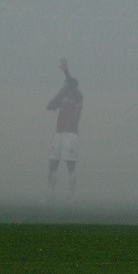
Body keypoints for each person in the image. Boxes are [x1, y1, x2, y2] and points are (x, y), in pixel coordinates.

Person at [46, 57, 83, 201]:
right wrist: (60, 93)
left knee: (70, 164)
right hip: (59, 134)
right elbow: (49, 106)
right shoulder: (62, 96)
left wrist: (66, 71)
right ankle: (51, 193)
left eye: (66, 84)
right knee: (52, 163)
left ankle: (71, 194)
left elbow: (72, 87)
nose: (64, 86)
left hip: (71, 134)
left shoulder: (78, 97)